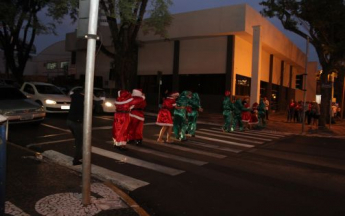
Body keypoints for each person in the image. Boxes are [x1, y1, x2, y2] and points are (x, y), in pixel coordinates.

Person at [67, 87, 84, 166]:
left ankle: (79, 155)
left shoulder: (74, 97)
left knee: (77, 139)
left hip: (69, 121)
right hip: (76, 122)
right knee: (79, 141)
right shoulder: (81, 99)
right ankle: (76, 160)